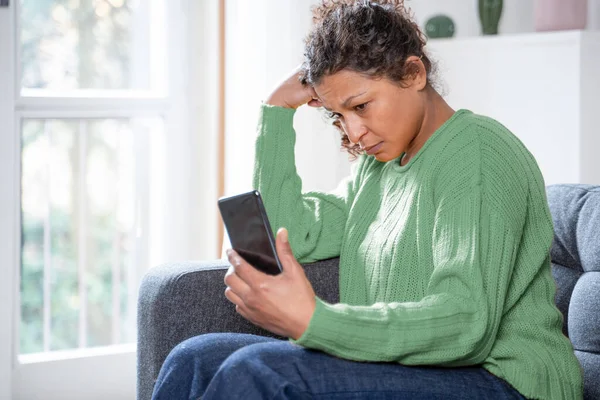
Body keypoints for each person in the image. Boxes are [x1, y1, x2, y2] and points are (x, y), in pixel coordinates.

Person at [151, 1, 583, 399]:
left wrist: (314, 321)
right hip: (413, 369)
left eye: (361, 106)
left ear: (413, 74)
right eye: (339, 115)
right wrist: (278, 111)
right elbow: (292, 237)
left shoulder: (478, 153)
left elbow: (465, 321)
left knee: (257, 371)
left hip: (505, 381)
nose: (354, 133)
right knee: (195, 357)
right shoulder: (378, 169)